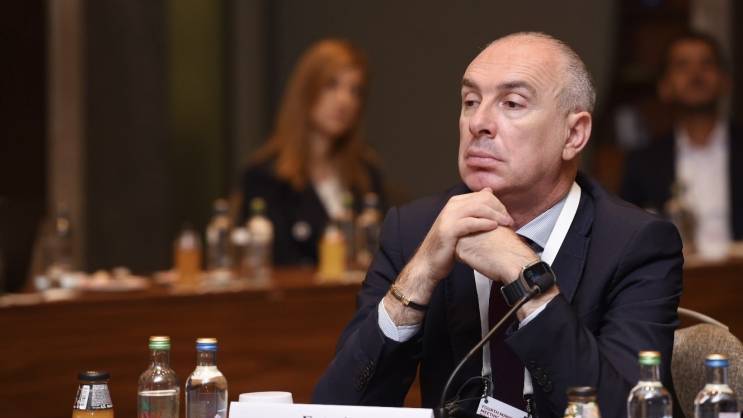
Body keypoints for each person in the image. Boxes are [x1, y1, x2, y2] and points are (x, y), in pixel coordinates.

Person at [313, 32, 683, 418]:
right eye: (470, 101)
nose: (478, 123)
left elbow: (627, 411)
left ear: (574, 134)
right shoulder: (416, 229)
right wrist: (418, 277)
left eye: (512, 103)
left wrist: (527, 278)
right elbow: (334, 410)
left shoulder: (634, 243)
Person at [241, 39, 385, 266]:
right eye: (331, 85)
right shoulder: (266, 177)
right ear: (306, 90)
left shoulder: (366, 173)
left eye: (355, 91)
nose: (344, 100)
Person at [621, 31, 743, 249]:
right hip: (675, 270)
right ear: (664, 87)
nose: (696, 74)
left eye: (706, 64)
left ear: (725, 82)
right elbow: (628, 239)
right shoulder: (643, 162)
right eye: (682, 66)